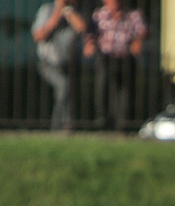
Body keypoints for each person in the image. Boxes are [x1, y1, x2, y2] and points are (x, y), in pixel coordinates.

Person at [84, 0, 148, 131]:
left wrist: (138, 41)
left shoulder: (133, 15)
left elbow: (143, 31)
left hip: (126, 57)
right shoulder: (99, 15)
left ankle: (124, 123)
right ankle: (103, 121)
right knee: (103, 88)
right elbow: (90, 33)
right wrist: (89, 44)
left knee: (126, 92)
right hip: (105, 57)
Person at [32, 0, 88, 131]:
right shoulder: (47, 10)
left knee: (66, 91)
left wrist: (68, 12)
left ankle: (62, 126)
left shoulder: (76, 11)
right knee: (63, 86)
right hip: (48, 62)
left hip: (69, 63)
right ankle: (61, 126)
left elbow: (82, 29)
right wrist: (57, 14)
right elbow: (39, 36)